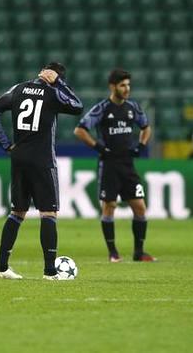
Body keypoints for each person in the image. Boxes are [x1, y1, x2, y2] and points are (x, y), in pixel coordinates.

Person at [0, 62, 83, 280]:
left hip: (18, 156)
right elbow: (77, 106)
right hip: (42, 159)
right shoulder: (53, 93)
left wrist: (6, 144)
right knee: (48, 213)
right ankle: (50, 272)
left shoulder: (18, 88)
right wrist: (59, 83)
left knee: (17, 212)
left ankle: (1, 268)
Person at [74, 68, 156, 263]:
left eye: (128, 85)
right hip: (109, 164)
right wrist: (99, 147)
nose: (127, 89)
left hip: (128, 165)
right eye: (122, 85)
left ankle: (139, 252)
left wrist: (142, 145)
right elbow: (80, 130)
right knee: (109, 206)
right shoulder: (102, 108)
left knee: (140, 208)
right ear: (112, 86)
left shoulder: (133, 108)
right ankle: (113, 253)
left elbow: (146, 127)